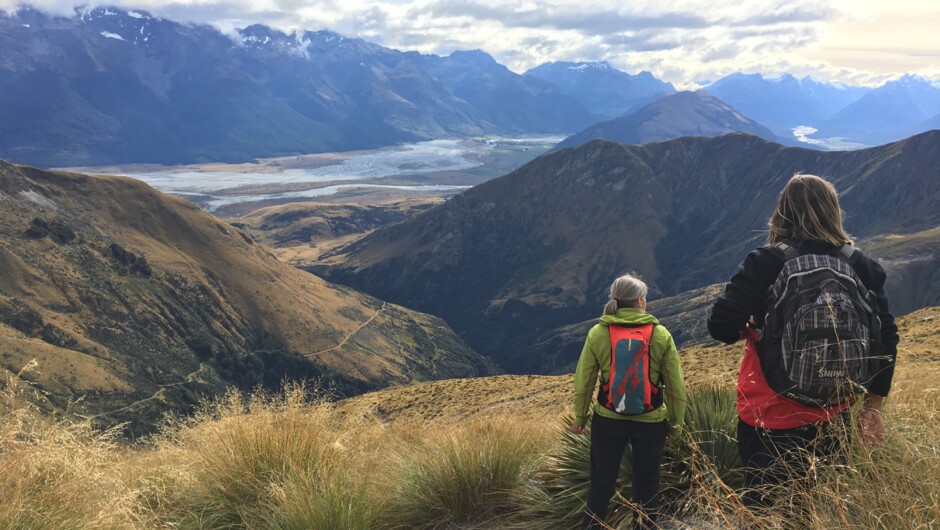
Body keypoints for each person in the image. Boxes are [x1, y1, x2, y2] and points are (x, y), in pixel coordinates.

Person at [707, 173, 899, 507]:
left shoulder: (767, 261)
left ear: (782, 212)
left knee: (765, 510)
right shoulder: (862, 265)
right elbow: (886, 338)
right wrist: (874, 407)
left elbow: (721, 326)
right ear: (833, 211)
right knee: (821, 508)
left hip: (770, 413)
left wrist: (755, 326)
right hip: (836, 411)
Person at [573, 273, 687, 530]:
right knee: (647, 484)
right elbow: (676, 387)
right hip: (651, 421)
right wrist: (676, 424)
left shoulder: (598, 333)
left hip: (608, 418)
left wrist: (580, 418)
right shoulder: (660, 335)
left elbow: (584, 382)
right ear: (640, 302)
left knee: (602, 482)